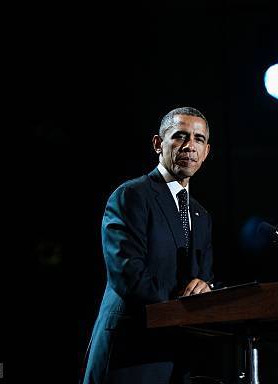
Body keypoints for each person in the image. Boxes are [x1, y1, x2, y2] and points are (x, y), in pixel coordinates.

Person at [83, 107, 214, 384]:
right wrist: (185, 305)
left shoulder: (201, 215)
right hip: (131, 354)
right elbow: (128, 276)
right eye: (180, 136)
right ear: (158, 143)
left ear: (206, 151)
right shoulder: (131, 195)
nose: (190, 146)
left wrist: (206, 289)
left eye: (198, 139)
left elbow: (204, 278)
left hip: (178, 356)